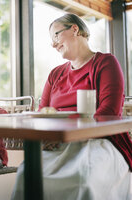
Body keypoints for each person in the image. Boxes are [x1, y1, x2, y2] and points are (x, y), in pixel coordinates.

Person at [11, 13, 132, 200]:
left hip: (99, 140)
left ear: (74, 29)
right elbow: (43, 113)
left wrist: (69, 135)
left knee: (83, 178)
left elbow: (108, 113)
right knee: (25, 175)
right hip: (58, 142)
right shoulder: (55, 74)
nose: (53, 44)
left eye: (56, 36)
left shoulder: (105, 63)